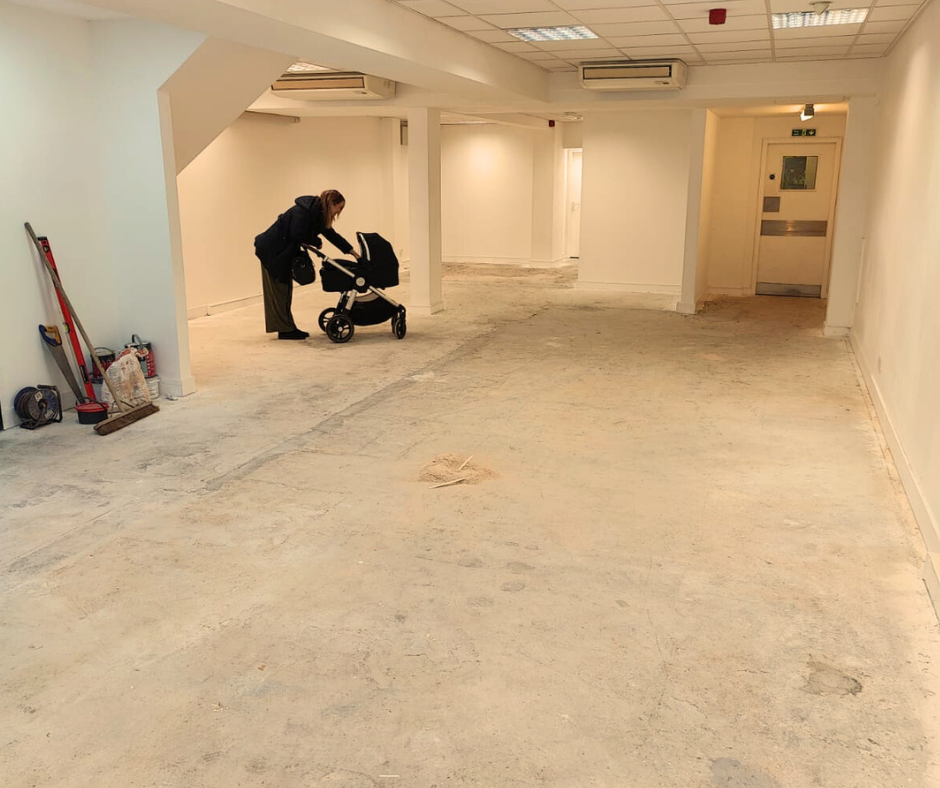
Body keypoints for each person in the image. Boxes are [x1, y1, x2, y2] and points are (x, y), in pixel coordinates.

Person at [253, 189, 360, 339]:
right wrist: (317, 242)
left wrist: (352, 252)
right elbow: (297, 233)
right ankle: (285, 330)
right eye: (339, 208)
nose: (339, 212)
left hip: (280, 252)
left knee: (284, 290)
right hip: (272, 252)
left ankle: (286, 327)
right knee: (280, 291)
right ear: (331, 203)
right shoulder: (304, 212)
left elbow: (332, 235)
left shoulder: (317, 214)